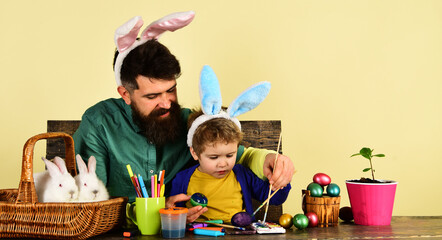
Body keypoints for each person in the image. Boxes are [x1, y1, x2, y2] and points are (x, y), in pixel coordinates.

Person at [73, 12, 295, 222]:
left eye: (171, 90)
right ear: (125, 94)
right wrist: (157, 211)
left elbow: (240, 156)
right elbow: (91, 202)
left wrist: (268, 159)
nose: (166, 103)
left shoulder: (189, 123)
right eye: (152, 96)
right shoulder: (99, 124)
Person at [169, 109, 291, 223]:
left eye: (229, 155)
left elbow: (273, 198)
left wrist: (280, 182)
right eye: (214, 157)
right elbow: (174, 213)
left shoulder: (242, 174)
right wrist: (180, 218)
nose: (223, 164)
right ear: (195, 153)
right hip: (199, 234)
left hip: (238, 234)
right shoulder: (182, 179)